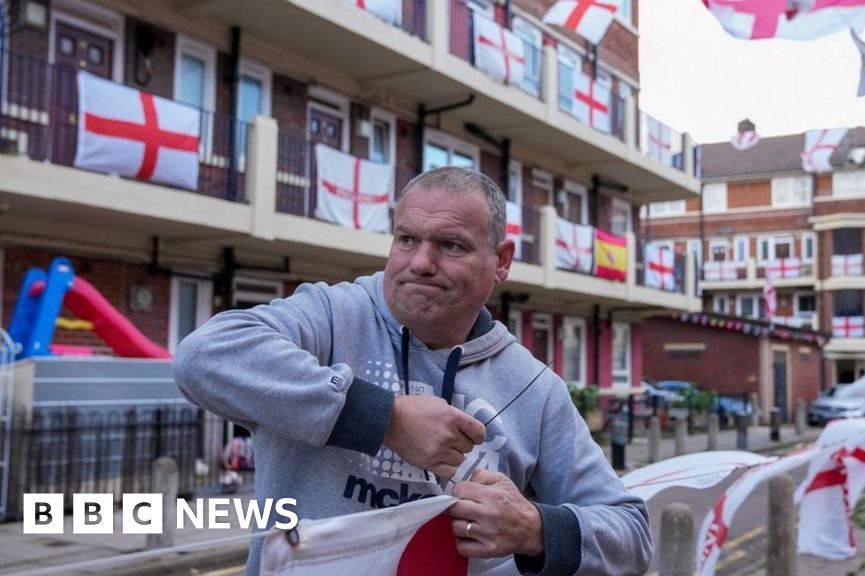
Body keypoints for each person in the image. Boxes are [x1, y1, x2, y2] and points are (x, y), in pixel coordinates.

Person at [174, 167, 652, 575]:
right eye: (406, 239)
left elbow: (631, 535)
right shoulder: (330, 317)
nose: (420, 263)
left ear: (500, 261)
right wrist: (388, 418)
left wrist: (535, 529)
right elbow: (203, 356)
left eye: (450, 245)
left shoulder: (533, 387)